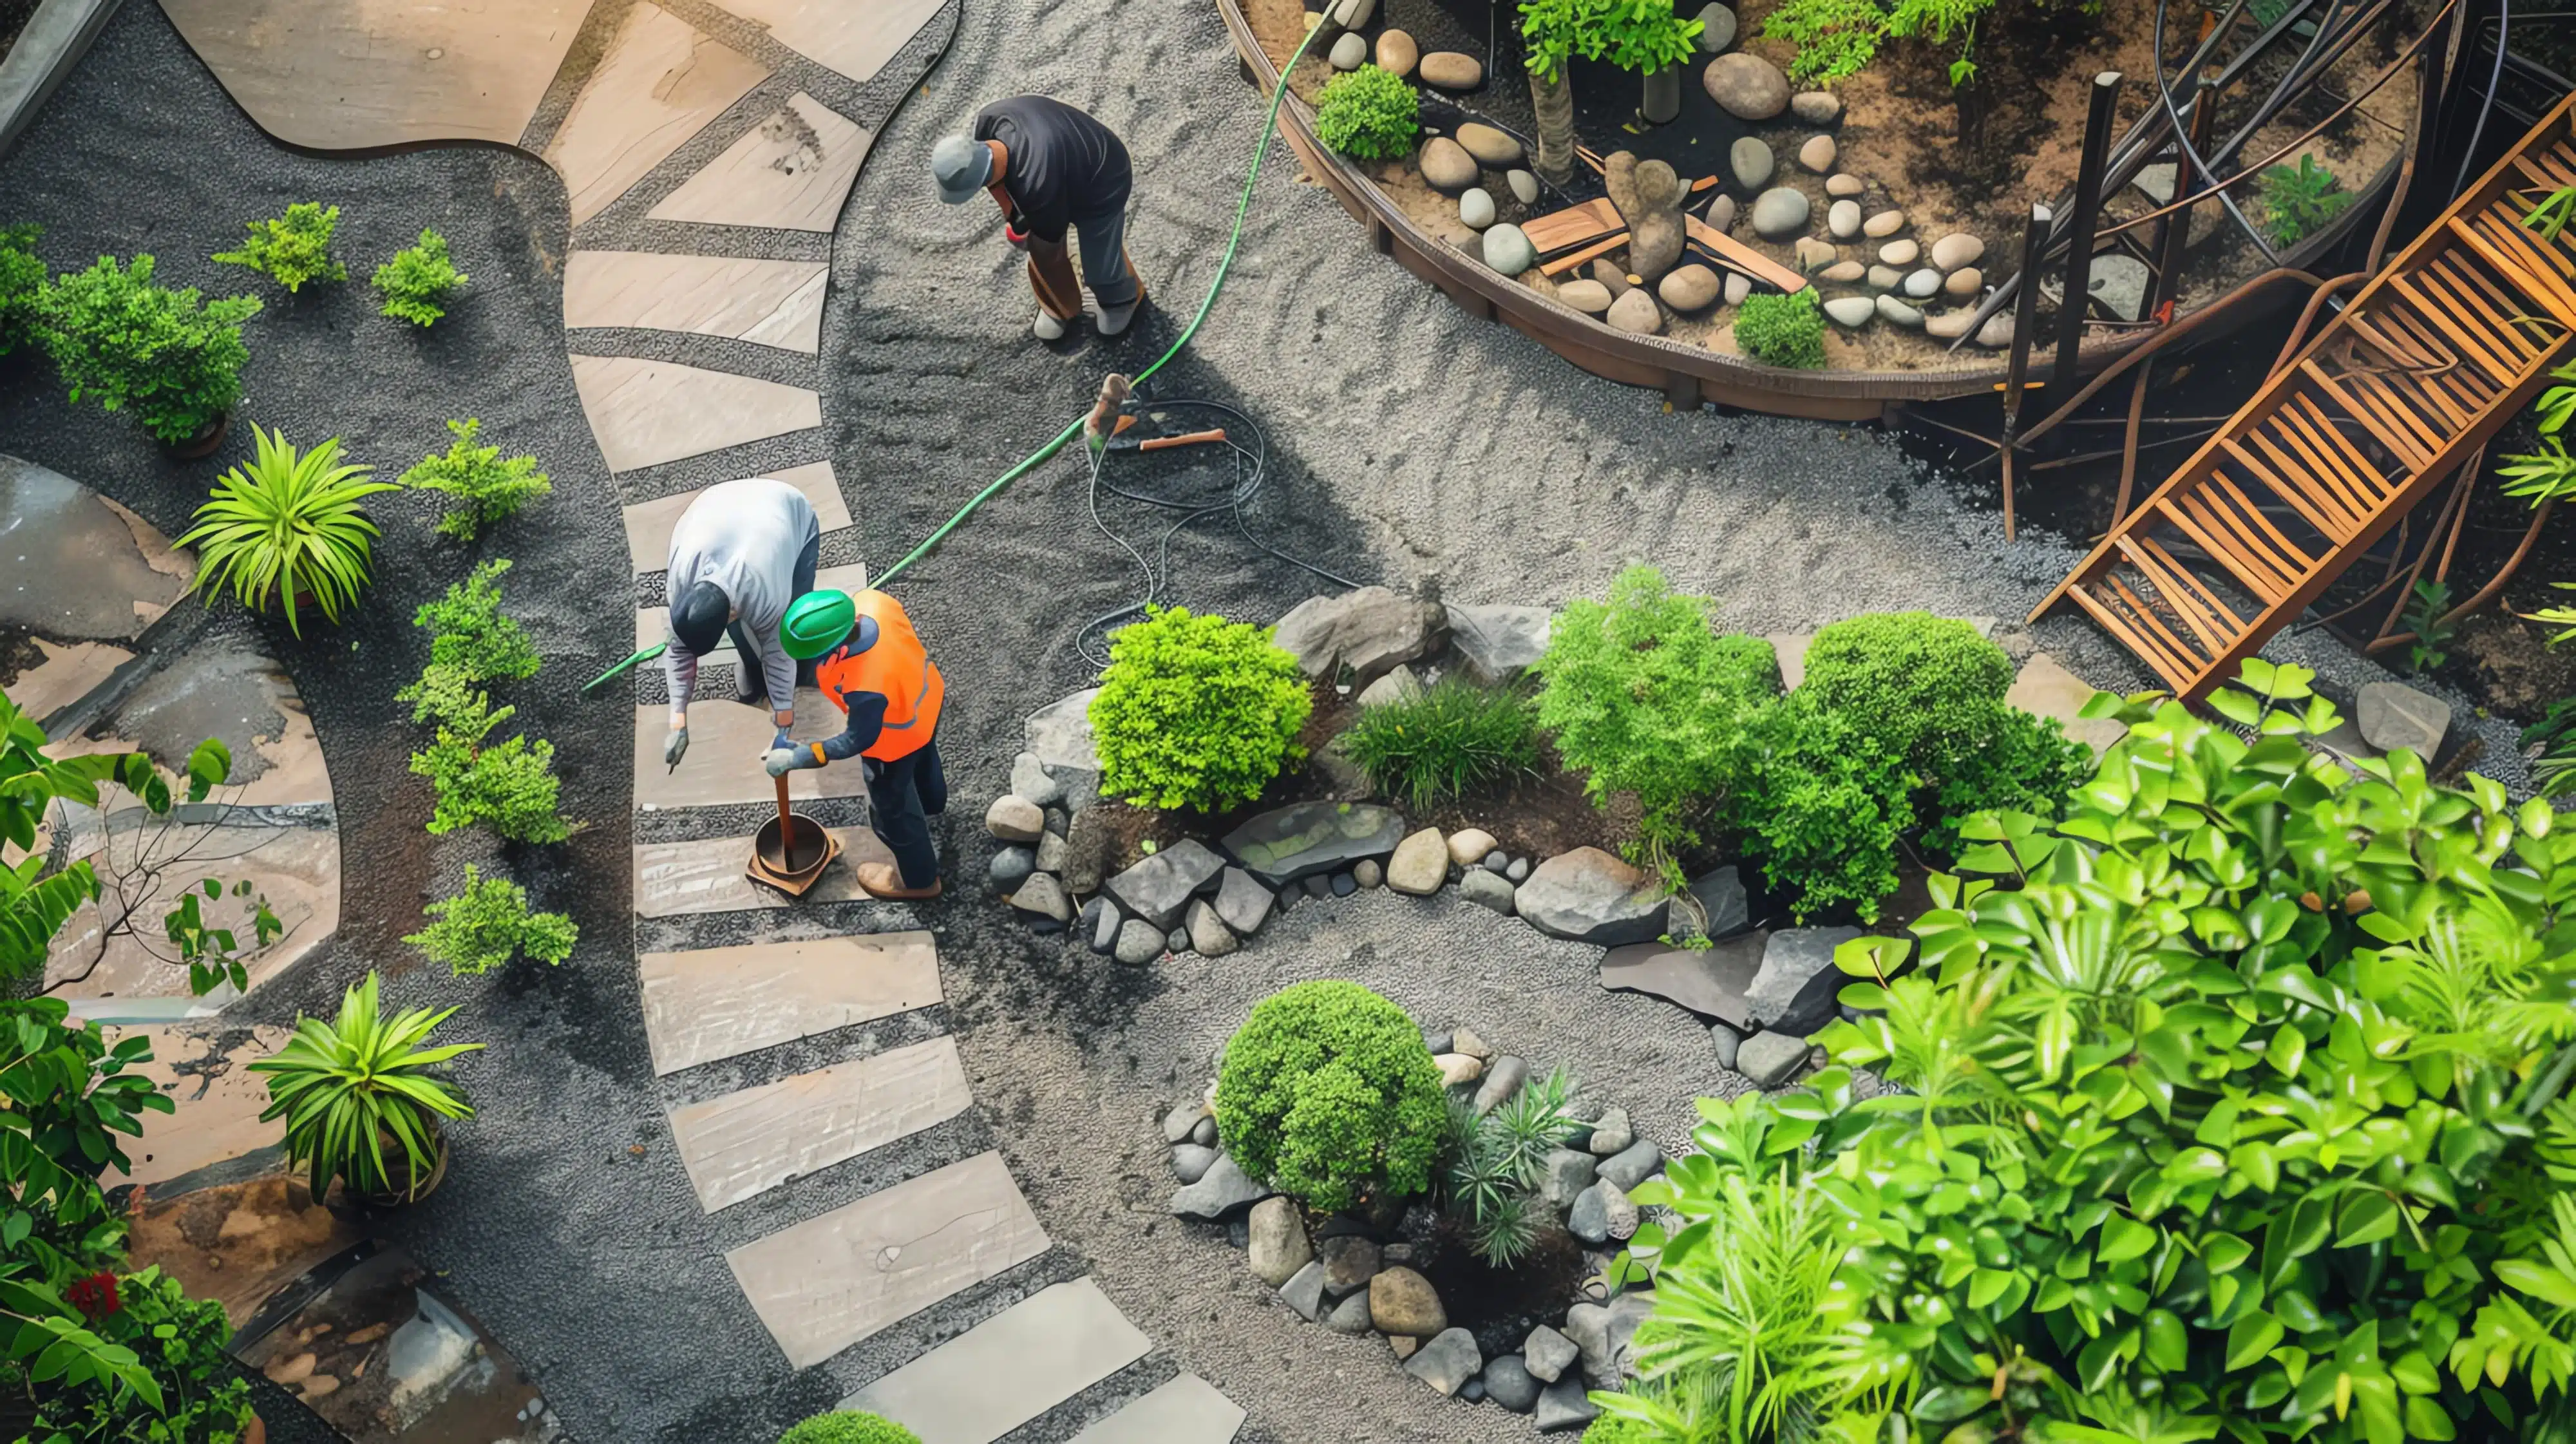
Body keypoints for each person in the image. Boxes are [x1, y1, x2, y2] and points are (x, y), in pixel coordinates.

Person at [762, 589, 948, 900]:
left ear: (837, 649)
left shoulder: (866, 683)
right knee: (926, 760)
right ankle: (933, 806)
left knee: (893, 810)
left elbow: (858, 738)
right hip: (925, 700)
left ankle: (920, 882)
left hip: (896, 739)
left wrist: (805, 755)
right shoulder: (873, 602)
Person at [930, 96, 1144, 342]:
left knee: (1099, 252)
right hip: (1069, 155)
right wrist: (1014, 216)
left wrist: (1036, 243)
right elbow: (998, 181)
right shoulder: (988, 121)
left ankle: (1119, 300)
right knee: (1042, 230)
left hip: (1105, 175)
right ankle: (1056, 304)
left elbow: (1049, 255)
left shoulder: (1036, 184)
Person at [660, 477, 821, 771]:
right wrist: (677, 723)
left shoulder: (763, 587)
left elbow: (779, 654)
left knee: (795, 623)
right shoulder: (681, 584)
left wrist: (783, 730)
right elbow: (678, 652)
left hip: (786, 510)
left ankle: (808, 667)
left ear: (733, 611)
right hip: (717, 508)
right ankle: (751, 667)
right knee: (745, 632)